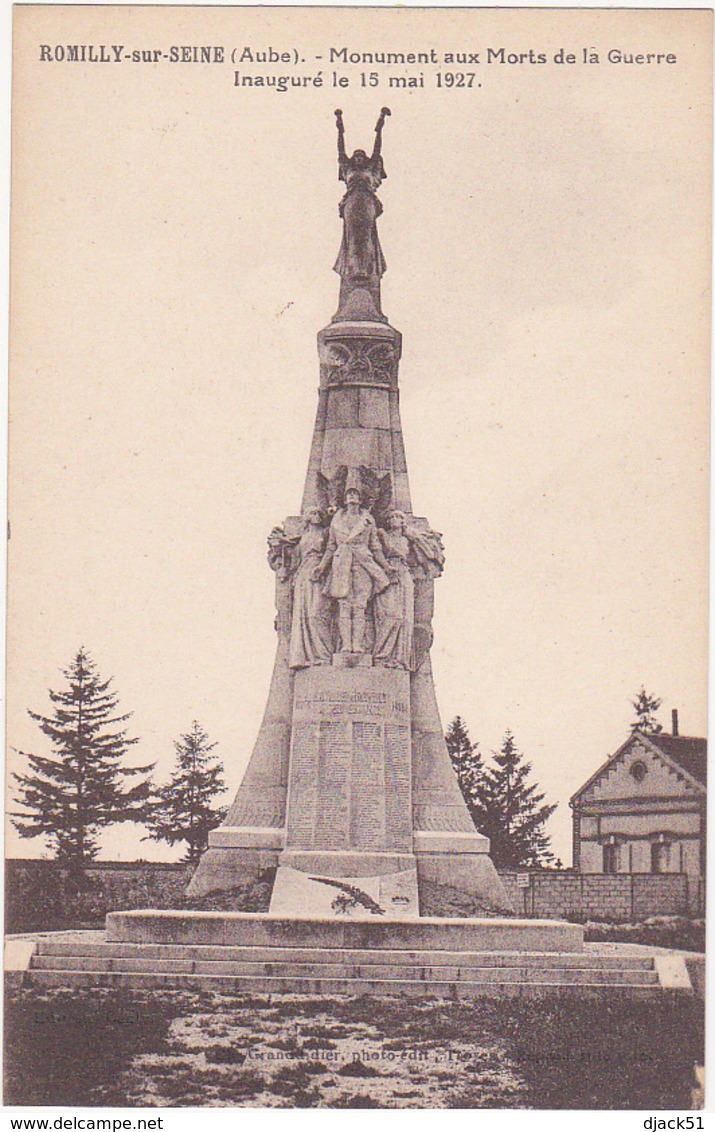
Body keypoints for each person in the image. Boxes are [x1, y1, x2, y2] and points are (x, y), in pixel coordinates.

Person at [313, 486, 396, 655]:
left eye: (355, 494)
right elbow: (330, 547)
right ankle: (346, 645)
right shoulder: (336, 520)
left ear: (360, 499)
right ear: (344, 500)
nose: (352, 496)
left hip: (363, 565)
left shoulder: (367, 520)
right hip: (341, 564)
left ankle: (357, 644)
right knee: (344, 606)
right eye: (349, 494)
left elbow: (376, 547)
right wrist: (322, 566)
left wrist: (386, 567)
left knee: (359, 607)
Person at [333, 108, 390, 298]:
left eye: (360, 156)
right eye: (355, 155)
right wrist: (340, 126)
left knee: (366, 237)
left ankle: (365, 270)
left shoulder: (371, 169)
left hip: (367, 203)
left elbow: (377, 150)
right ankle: (353, 269)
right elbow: (340, 149)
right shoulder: (347, 168)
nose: (357, 158)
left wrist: (380, 124)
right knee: (352, 239)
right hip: (351, 204)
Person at [288, 507, 333, 668]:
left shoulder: (325, 533)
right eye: (313, 514)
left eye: (319, 514)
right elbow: (294, 560)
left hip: (319, 573)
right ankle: (308, 656)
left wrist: (322, 567)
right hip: (303, 576)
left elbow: (332, 549)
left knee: (317, 614)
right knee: (303, 615)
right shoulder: (302, 537)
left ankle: (324, 655)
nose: (317, 516)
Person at [373, 510, 415, 669]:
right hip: (387, 574)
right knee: (390, 616)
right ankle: (382, 656)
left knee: (405, 619)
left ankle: (399, 659)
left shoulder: (407, 539)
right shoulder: (382, 535)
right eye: (391, 517)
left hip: (404, 575)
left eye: (397, 517)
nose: (393, 520)